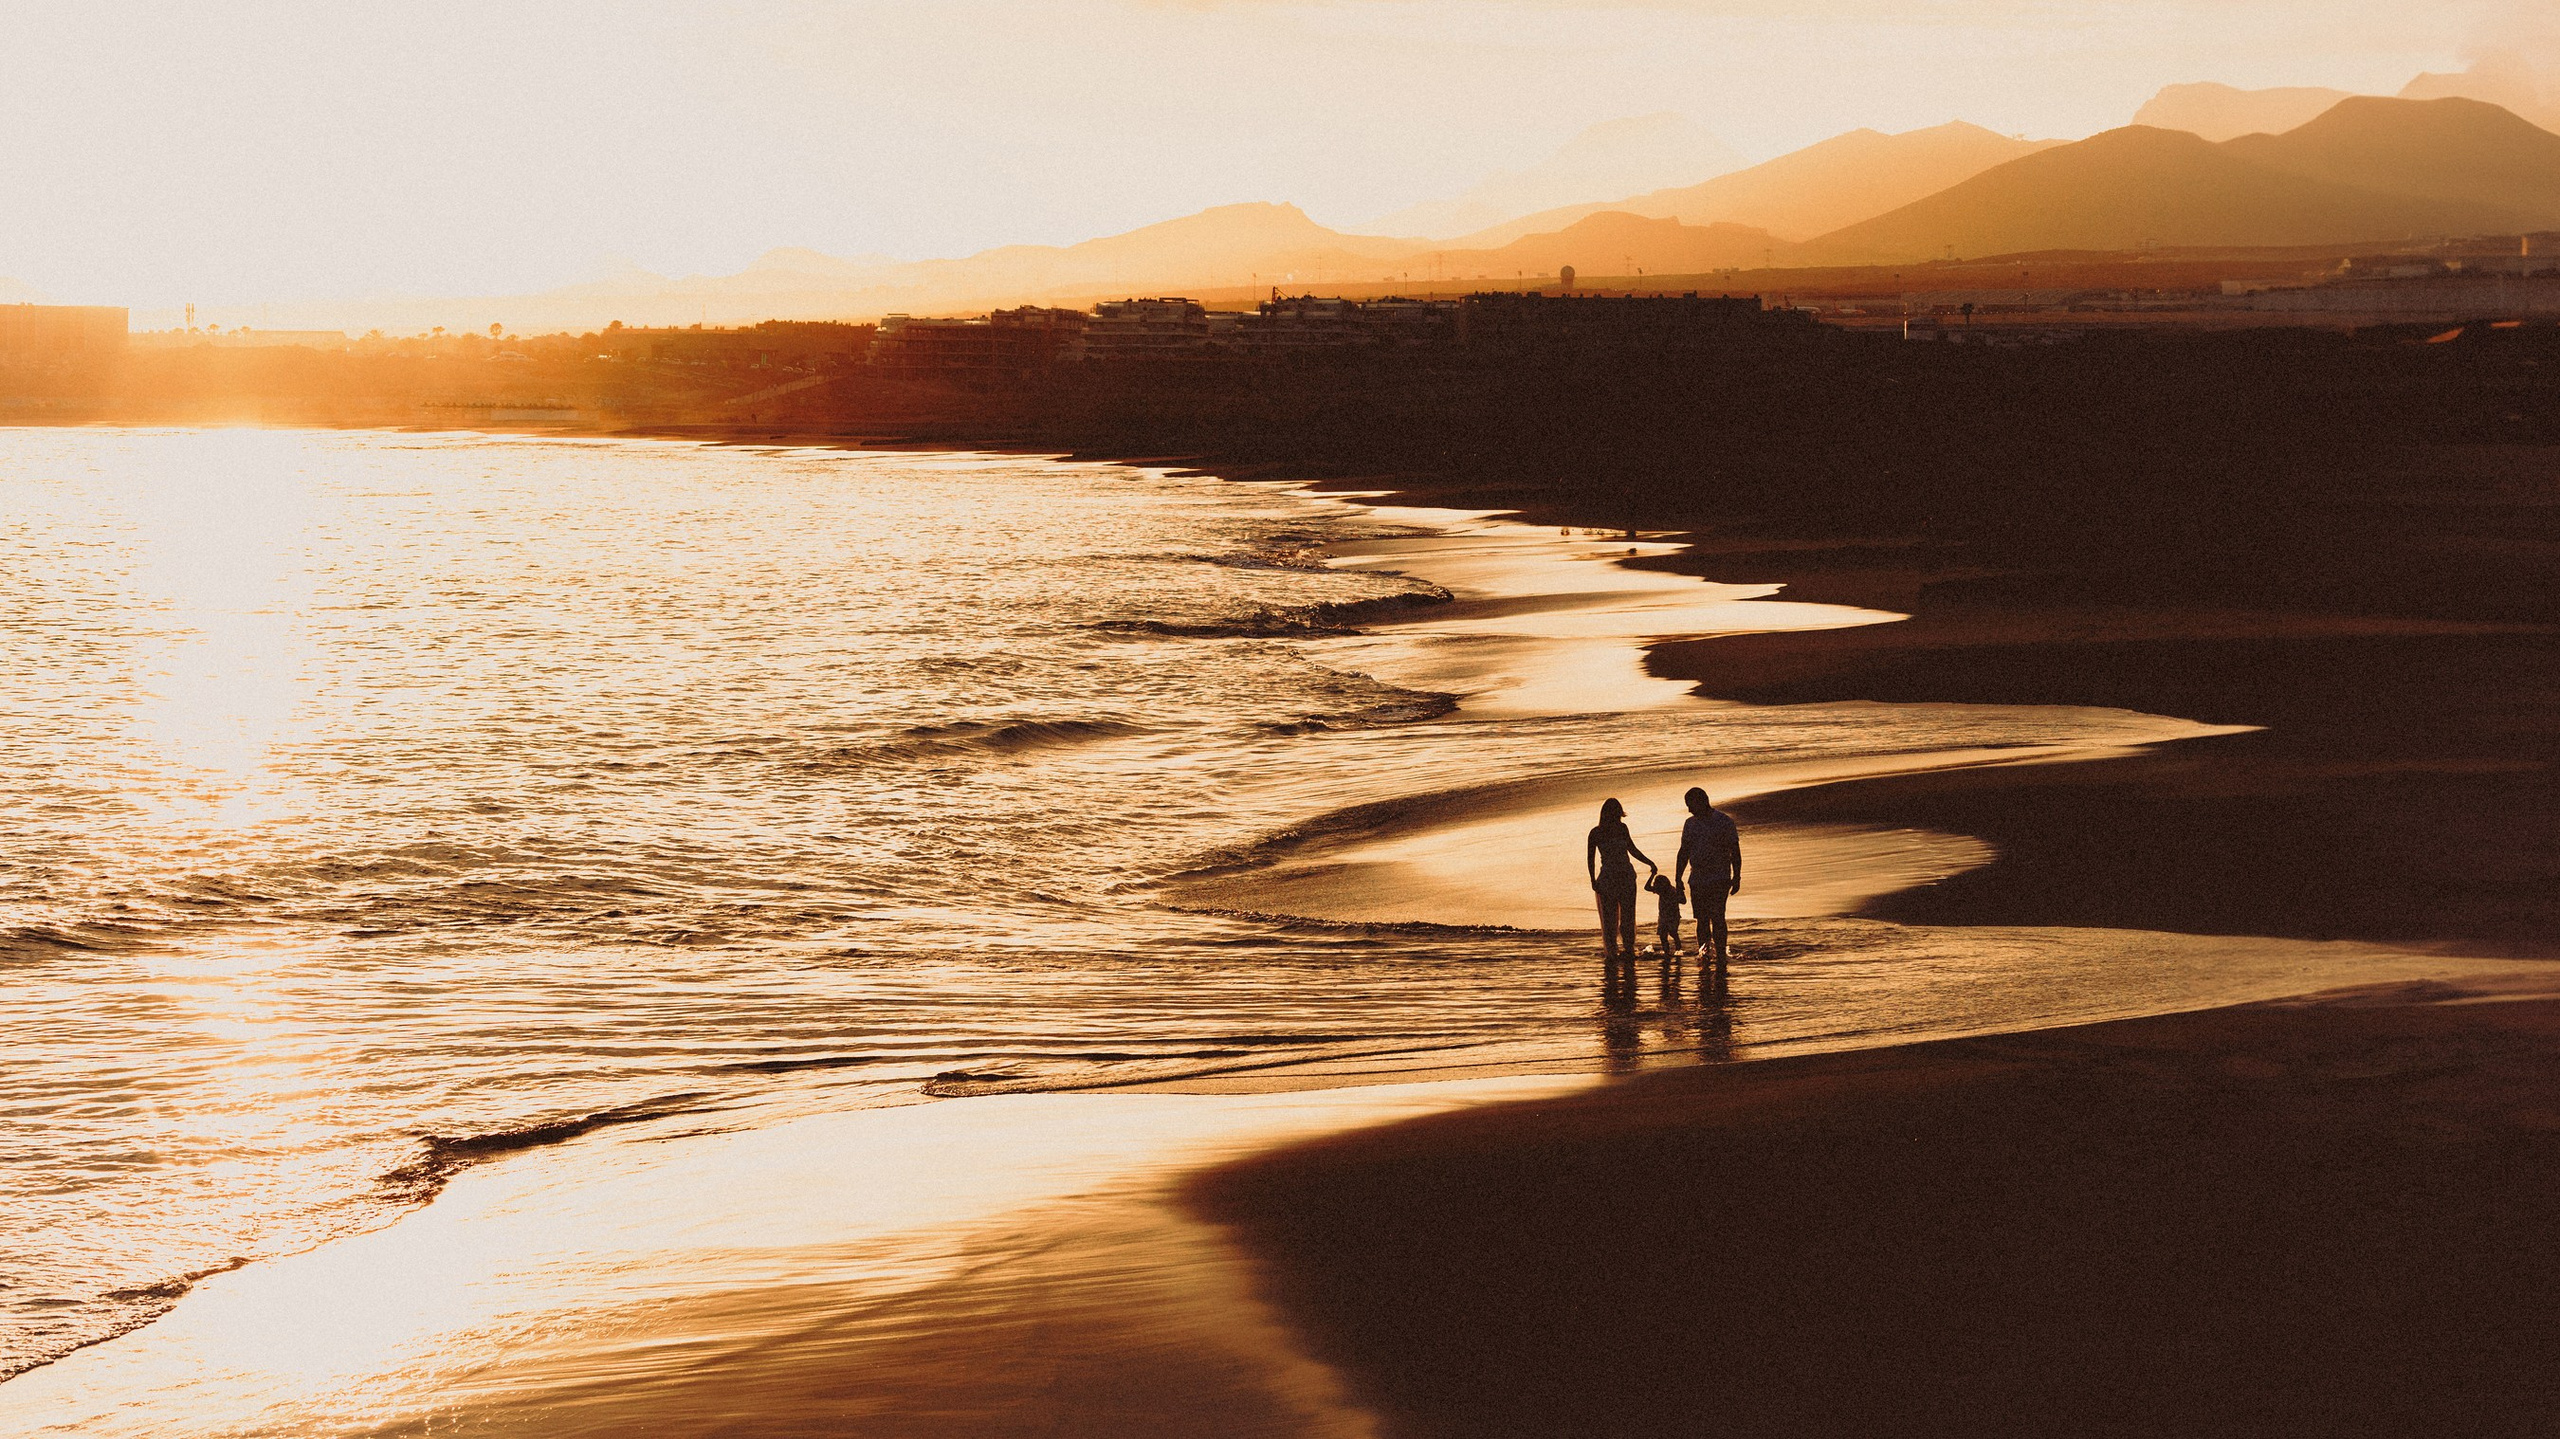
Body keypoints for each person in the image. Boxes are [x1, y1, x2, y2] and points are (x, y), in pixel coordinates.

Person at [1674, 786, 1741, 981]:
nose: (1689, 810)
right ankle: (1704, 953)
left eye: (1690, 805)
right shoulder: (1690, 824)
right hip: (1698, 878)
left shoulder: (1724, 821)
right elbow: (1683, 852)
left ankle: (1720, 956)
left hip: (1719, 877)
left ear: (1701, 801)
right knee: (1701, 919)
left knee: (1718, 917)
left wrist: (1737, 876)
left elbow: (1734, 851)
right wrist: (1678, 878)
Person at [1585, 797, 1656, 964]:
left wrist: (1593, 879)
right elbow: (1631, 850)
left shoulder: (1598, 832)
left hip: (1611, 878)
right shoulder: (1614, 829)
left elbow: (1591, 859)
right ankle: (1627, 950)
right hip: (1622, 877)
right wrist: (1649, 862)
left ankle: (1614, 952)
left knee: (1612, 919)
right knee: (1626, 917)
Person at [1645, 869, 1684, 956]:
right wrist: (1652, 875)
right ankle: (1667, 952)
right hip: (1663, 917)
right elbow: (1647, 887)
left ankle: (1678, 950)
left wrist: (1681, 890)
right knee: (1663, 936)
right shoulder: (1661, 891)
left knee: (1673, 933)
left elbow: (1683, 901)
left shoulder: (1672, 891)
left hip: (1673, 916)